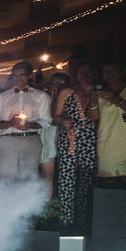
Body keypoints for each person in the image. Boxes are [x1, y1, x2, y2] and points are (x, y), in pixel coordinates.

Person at [54, 61, 99, 229]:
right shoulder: (66, 92)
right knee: (67, 178)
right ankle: (65, 220)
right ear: (75, 74)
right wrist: (63, 120)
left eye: (87, 72)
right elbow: (56, 115)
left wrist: (92, 95)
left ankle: (84, 220)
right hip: (69, 138)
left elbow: (97, 118)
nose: (84, 75)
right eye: (80, 72)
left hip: (89, 139)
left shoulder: (99, 92)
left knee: (87, 179)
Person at [0, 61, 52, 181]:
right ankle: (5, 199)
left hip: (31, 139)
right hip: (7, 140)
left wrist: (30, 125)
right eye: (15, 75)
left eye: (22, 75)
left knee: (29, 178)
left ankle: (27, 199)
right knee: (5, 177)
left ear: (30, 76)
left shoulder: (42, 96)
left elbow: (46, 121)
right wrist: (10, 123)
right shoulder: (1, 97)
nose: (17, 78)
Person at [95, 60, 126, 182]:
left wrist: (113, 98)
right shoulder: (100, 93)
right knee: (112, 195)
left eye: (112, 70)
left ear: (121, 70)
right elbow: (93, 118)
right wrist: (92, 103)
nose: (109, 74)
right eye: (105, 71)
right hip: (109, 146)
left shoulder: (108, 94)